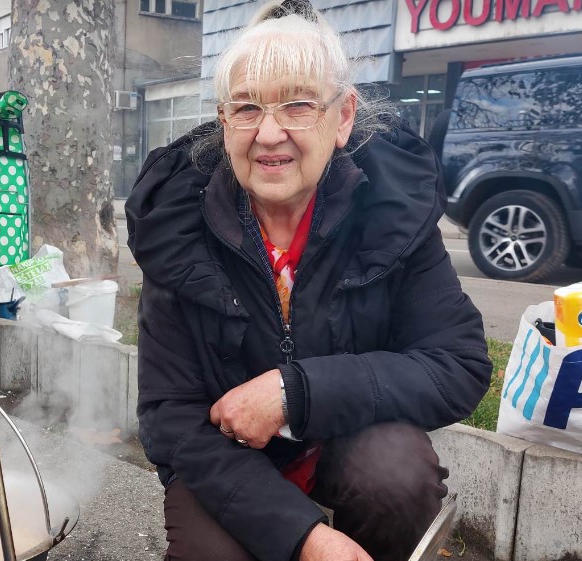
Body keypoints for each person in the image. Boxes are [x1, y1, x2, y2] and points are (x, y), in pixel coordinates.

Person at [125, 1, 492, 560]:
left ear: (342, 117)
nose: (269, 134)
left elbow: (458, 364)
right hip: (227, 460)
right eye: (246, 108)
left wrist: (296, 393)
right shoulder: (176, 228)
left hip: (344, 436)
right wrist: (306, 539)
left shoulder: (393, 213)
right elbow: (169, 416)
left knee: (398, 474)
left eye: (297, 105)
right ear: (224, 124)